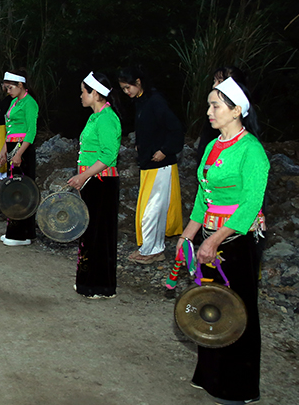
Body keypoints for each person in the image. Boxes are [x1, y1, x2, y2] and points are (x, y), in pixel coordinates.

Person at [177, 77, 268, 405]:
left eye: (215, 105)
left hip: (236, 240)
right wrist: (188, 235)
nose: (209, 111)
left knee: (237, 310)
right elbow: (204, 196)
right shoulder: (215, 146)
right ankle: (210, 374)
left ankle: (238, 386)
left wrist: (214, 239)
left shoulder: (252, 151)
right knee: (209, 305)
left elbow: (249, 203)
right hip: (209, 237)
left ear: (236, 110)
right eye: (210, 104)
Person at [117, 67, 184, 264]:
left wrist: (165, 149)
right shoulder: (141, 101)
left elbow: (176, 129)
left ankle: (153, 250)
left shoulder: (156, 101)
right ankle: (150, 247)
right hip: (148, 163)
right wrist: (140, 144)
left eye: (128, 87)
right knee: (149, 207)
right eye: (123, 89)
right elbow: (147, 127)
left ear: (138, 81)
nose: (126, 92)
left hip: (160, 165)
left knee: (152, 209)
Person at [67, 73, 122, 299]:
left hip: (102, 182)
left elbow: (108, 155)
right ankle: (88, 281)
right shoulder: (95, 117)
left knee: (99, 233)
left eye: (83, 91)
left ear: (95, 93)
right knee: (89, 231)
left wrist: (84, 176)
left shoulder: (108, 118)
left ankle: (100, 285)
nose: (80, 95)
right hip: (92, 181)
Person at [0, 69, 39, 246]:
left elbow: (31, 131)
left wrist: (19, 153)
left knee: (21, 190)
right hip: (13, 146)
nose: (8, 91)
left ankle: (19, 234)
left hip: (23, 149)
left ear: (20, 85)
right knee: (13, 187)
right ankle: (22, 231)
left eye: (10, 88)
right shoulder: (15, 102)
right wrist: (4, 150)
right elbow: (10, 128)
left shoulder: (30, 103)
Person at [195, 66, 249, 164]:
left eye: (220, 82)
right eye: (214, 81)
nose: (214, 86)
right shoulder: (213, 117)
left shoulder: (249, 145)